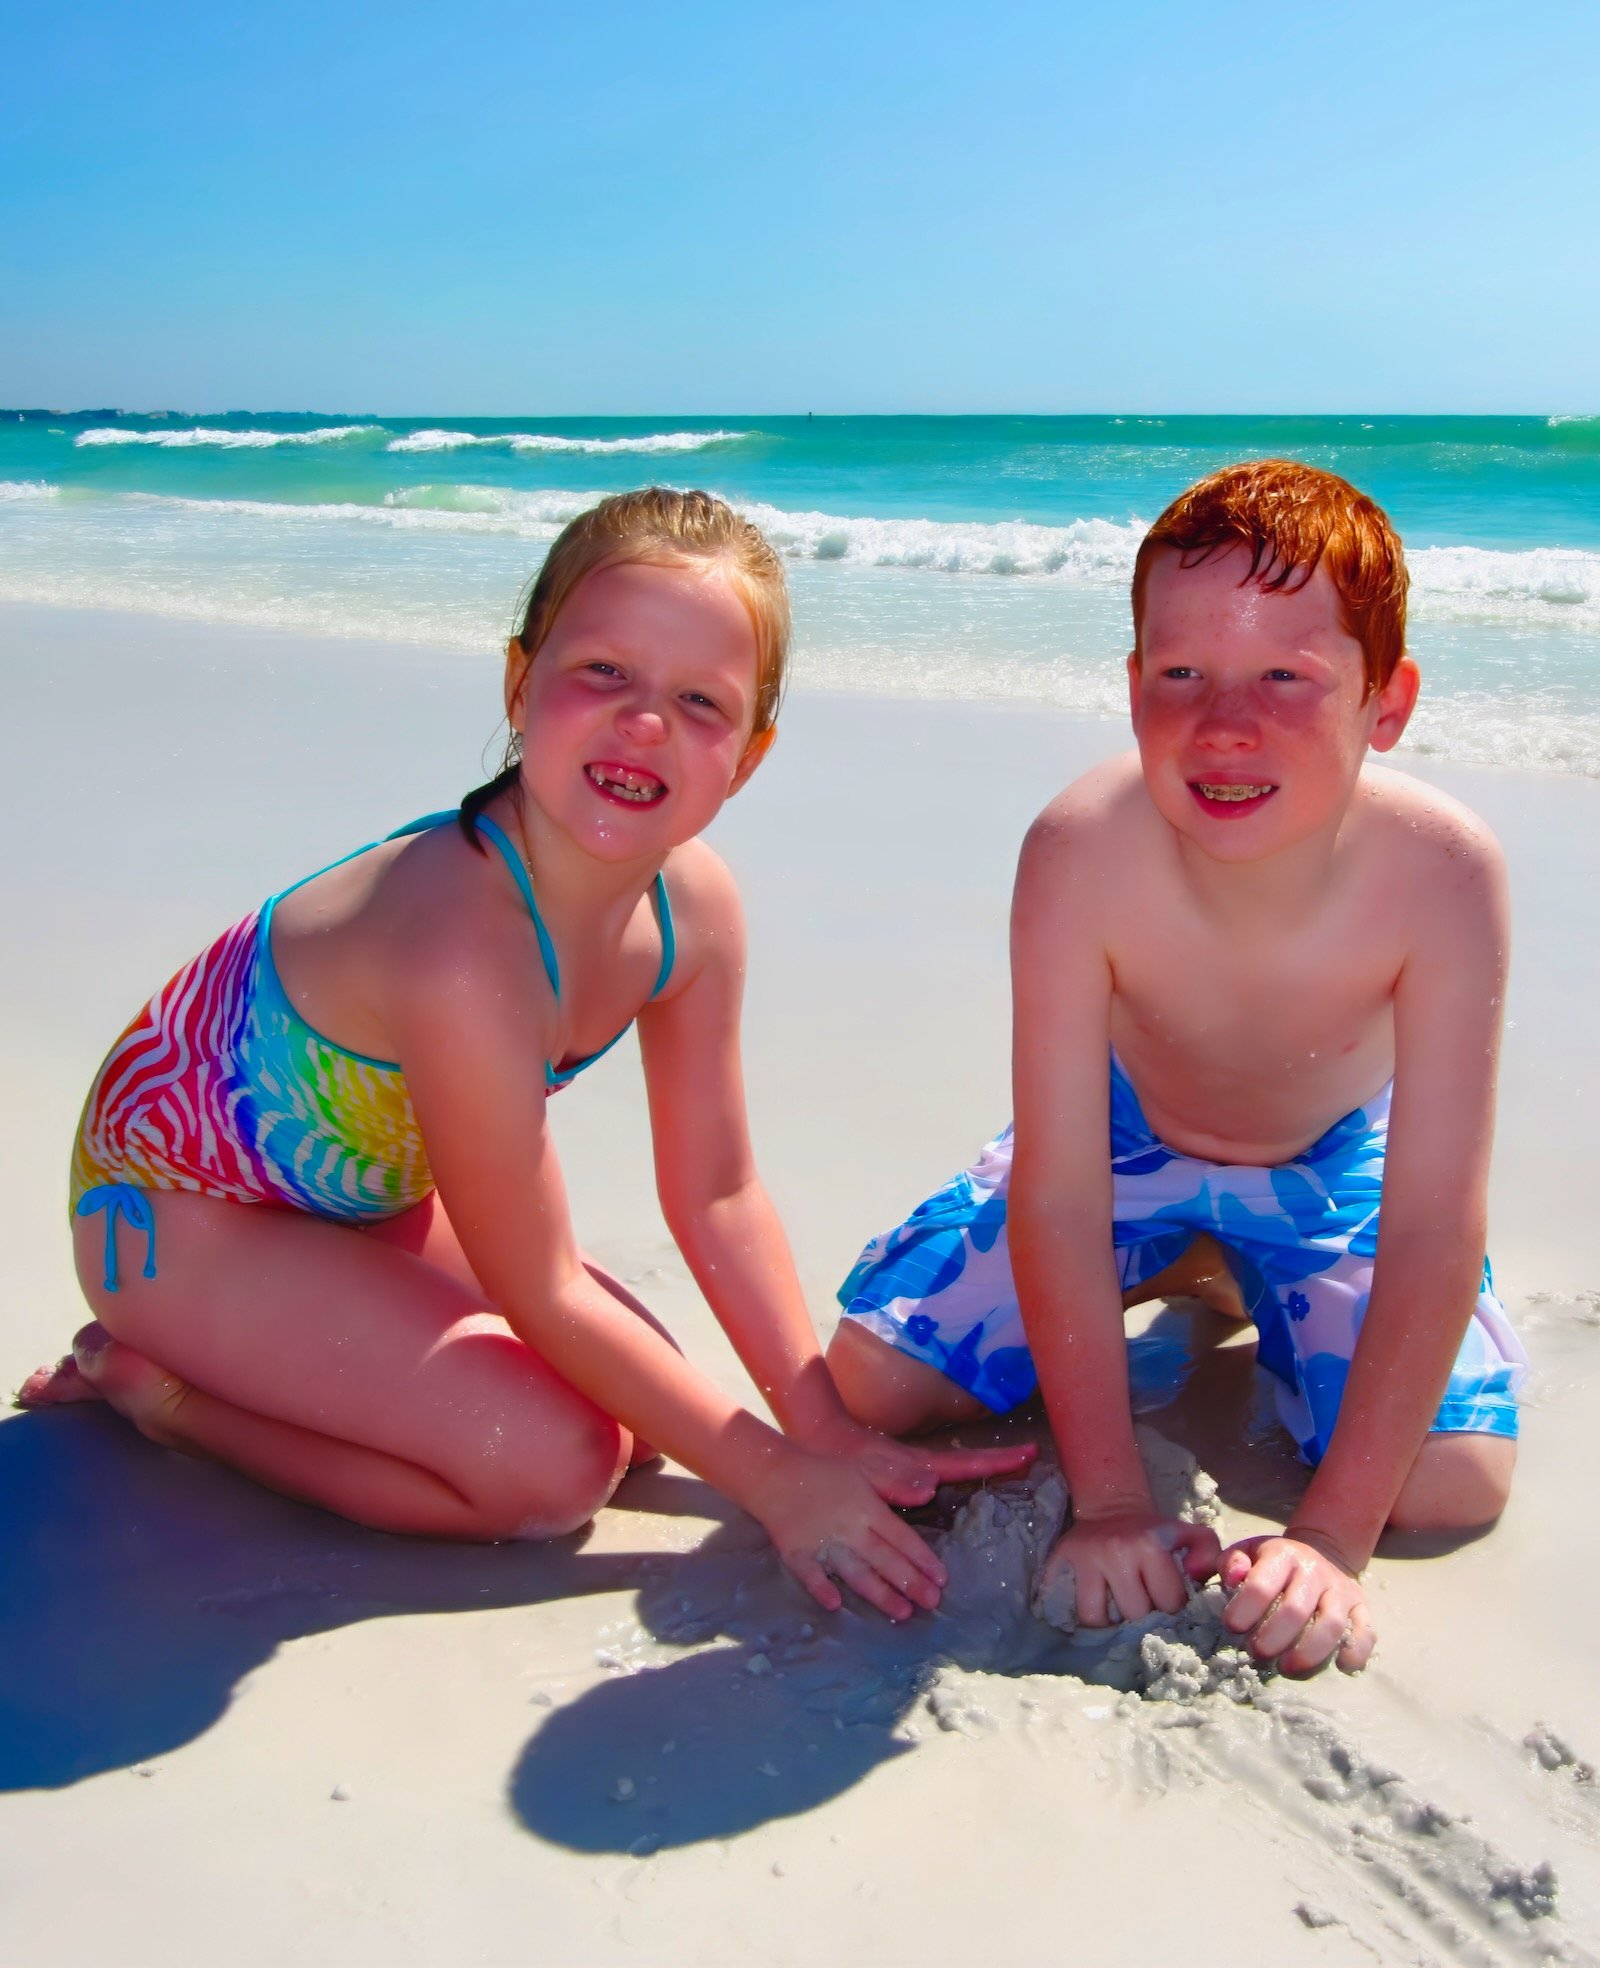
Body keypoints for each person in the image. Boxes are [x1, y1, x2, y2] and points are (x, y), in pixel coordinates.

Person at [19, 487, 1029, 1618]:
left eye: (700, 701)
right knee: (550, 1468)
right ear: (519, 683)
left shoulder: (691, 909)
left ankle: (264, 1352)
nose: (644, 722)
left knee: (641, 1434)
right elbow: (536, 1283)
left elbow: (719, 1189)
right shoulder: (461, 942)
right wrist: (777, 1481)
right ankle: (163, 1397)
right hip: (174, 1216)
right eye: (603, 673)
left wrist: (823, 1432)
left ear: (748, 755)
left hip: (354, 1192)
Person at [826, 460, 1526, 1672]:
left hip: (1332, 1162)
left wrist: (1331, 1539)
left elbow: (1430, 1219)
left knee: (1451, 1480)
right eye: (1180, 673)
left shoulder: (1444, 875)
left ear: (1387, 700)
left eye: (1288, 677)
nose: (1224, 722)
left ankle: (1227, 1274)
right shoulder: (1078, 850)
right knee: (873, 1376)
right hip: (1118, 1143)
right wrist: (1105, 1501)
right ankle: (1193, 1258)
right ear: (1132, 683)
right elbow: (1056, 1191)